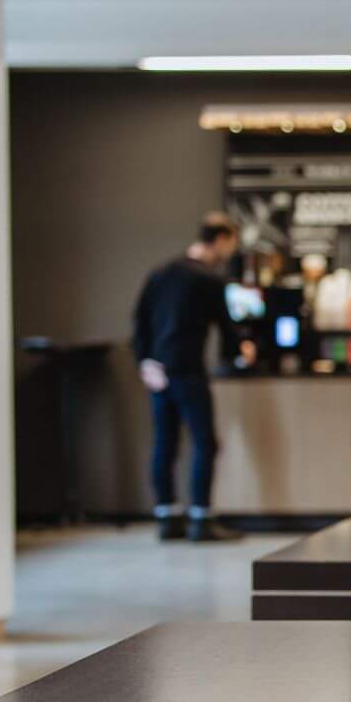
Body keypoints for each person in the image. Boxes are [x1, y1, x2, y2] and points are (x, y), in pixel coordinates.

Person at [132, 212, 253, 542]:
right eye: (233, 243)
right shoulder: (208, 281)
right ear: (223, 239)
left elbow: (139, 321)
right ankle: (201, 518)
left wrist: (145, 362)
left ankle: (167, 517)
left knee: (165, 443)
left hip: (158, 371)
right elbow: (227, 329)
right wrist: (240, 354)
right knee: (204, 442)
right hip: (187, 370)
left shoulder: (161, 273)